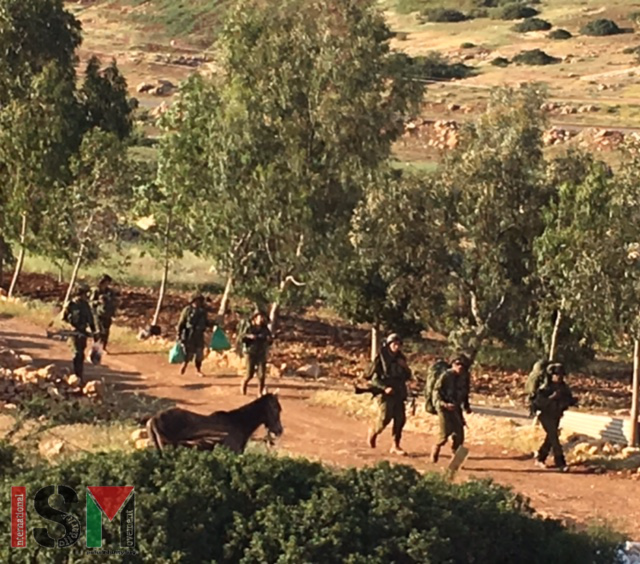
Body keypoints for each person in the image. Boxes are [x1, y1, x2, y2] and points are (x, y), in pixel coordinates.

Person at [367, 333, 413, 456]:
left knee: (400, 420)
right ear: (389, 345)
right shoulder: (381, 359)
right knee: (385, 418)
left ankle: (395, 445)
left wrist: (405, 367)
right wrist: (384, 387)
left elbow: (408, 376)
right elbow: (374, 379)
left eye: (398, 344)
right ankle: (374, 431)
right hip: (385, 393)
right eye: (394, 344)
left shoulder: (401, 359)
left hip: (398, 392)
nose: (397, 347)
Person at [533, 364, 577, 471]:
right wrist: (552, 398)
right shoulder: (545, 387)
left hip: (556, 415)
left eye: (561, 375)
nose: (559, 377)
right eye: (556, 375)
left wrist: (572, 401)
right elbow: (538, 403)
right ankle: (560, 462)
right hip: (545, 415)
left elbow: (569, 400)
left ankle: (540, 457)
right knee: (554, 438)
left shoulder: (564, 388)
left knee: (550, 438)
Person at [431, 356, 468, 463]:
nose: (460, 367)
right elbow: (436, 392)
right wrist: (444, 404)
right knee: (444, 433)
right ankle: (436, 449)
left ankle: (455, 459)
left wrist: (466, 406)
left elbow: (465, 393)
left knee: (459, 435)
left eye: (462, 365)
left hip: (456, 408)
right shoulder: (445, 376)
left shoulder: (464, 377)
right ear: (452, 365)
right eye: (457, 364)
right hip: (443, 408)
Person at [62, 284, 97, 383]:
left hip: (82, 333)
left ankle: (79, 375)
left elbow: (90, 320)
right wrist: (71, 327)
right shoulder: (70, 305)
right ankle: (76, 375)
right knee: (77, 353)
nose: (87, 296)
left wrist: (94, 332)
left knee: (81, 354)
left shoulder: (85, 305)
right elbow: (62, 319)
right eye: (85, 294)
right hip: (73, 333)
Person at [240, 310, 273, 396]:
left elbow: (270, 340)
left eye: (263, 317)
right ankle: (244, 383)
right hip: (250, 352)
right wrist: (250, 336)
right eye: (259, 317)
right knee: (249, 374)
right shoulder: (249, 327)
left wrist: (269, 339)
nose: (261, 319)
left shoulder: (265, 329)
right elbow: (241, 337)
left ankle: (260, 392)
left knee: (262, 375)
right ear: (255, 318)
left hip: (261, 352)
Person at [177, 293, 209, 377]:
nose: (198, 303)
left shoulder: (203, 312)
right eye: (196, 301)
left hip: (199, 335)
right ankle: (184, 365)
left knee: (199, 354)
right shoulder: (187, 311)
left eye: (199, 301)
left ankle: (198, 370)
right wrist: (179, 335)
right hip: (189, 335)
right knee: (188, 353)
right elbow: (181, 323)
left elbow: (206, 322)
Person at [90, 274, 118, 353]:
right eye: (106, 282)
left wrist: (114, 312)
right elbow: (91, 303)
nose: (107, 284)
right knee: (98, 332)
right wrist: (98, 301)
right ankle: (96, 348)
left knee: (106, 331)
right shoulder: (96, 291)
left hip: (107, 314)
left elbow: (113, 302)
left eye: (108, 282)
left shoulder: (110, 292)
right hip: (97, 314)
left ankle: (103, 347)